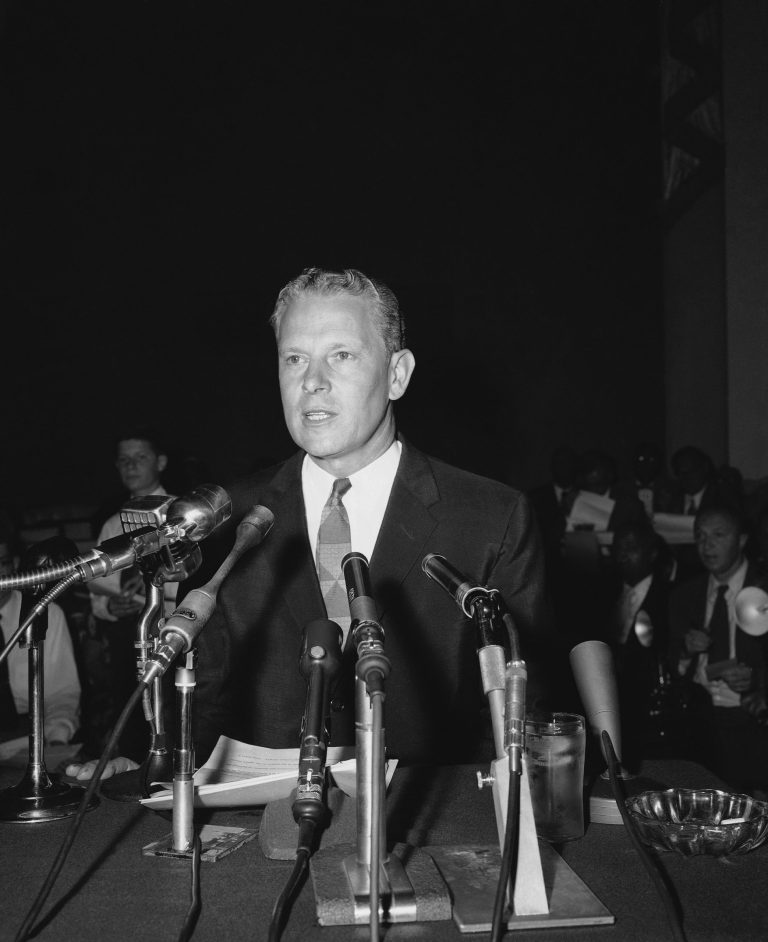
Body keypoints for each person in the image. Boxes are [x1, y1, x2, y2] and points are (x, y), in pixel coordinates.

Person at [67, 267, 554, 780]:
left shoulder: (490, 516)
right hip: (258, 835)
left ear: (397, 374)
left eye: (341, 356)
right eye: (294, 358)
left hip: (428, 823)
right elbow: (203, 692)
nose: (313, 382)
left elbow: (524, 711)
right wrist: (149, 756)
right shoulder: (223, 515)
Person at [82, 425, 178, 761]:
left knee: (172, 714)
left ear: (161, 462)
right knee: (132, 707)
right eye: (124, 460)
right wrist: (111, 605)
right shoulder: (111, 525)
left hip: (174, 634)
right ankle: (133, 765)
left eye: (140, 457)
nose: (131, 466)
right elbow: (99, 596)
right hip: (129, 638)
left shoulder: (183, 515)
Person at [668, 504, 768, 793]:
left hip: (755, 724)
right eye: (699, 535)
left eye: (718, 535)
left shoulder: (763, 589)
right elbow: (671, 664)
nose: (706, 545)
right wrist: (686, 651)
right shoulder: (684, 595)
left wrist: (758, 682)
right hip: (701, 724)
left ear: (742, 540)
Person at [0, 522, 81, 746]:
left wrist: (57, 737)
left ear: (14, 564)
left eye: (1, 563)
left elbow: (62, 693)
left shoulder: (46, 612)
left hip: (28, 734)